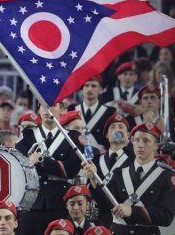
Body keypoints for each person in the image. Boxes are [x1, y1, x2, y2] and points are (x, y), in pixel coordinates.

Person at [83, 122, 175, 235]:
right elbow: (106, 205)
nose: (140, 145)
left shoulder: (165, 176)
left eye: (146, 141)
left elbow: (166, 216)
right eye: (137, 140)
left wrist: (132, 211)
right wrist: (94, 180)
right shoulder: (119, 173)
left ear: (156, 146)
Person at [16, 102, 83, 235]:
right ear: (39, 110)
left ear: (62, 110)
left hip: (60, 202)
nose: (48, 110)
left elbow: (70, 170)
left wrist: (41, 161)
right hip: (32, 202)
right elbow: (19, 167)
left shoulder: (73, 137)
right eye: (43, 106)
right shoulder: (28, 135)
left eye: (52, 105)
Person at [92, 112, 134, 226]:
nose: (117, 130)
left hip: (126, 217)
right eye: (112, 127)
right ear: (106, 135)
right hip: (103, 217)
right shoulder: (96, 160)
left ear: (128, 134)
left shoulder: (134, 158)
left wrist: (127, 145)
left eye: (121, 127)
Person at [68, 76, 116, 152]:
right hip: (77, 153)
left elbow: (111, 136)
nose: (89, 89)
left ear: (100, 89)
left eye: (93, 86)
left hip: (100, 155)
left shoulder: (109, 112)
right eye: (86, 85)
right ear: (82, 89)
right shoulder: (72, 109)